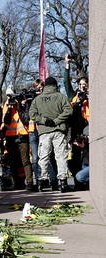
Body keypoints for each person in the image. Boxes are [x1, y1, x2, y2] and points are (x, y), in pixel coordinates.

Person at [29, 77, 73, 192]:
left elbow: (32, 114)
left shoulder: (38, 99)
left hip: (44, 132)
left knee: (43, 157)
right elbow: (69, 111)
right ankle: (63, 183)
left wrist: (44, 120)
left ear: (46, 85)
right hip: (58, 130)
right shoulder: (61, 97)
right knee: (60, 156)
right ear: (55, 85)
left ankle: (40, 182)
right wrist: (57, 120)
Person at [1, 86, 34, 191]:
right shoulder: (6, 105)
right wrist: (10, 109)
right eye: (8, 95)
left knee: (25, 160)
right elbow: (5, 121)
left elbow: (26, 121)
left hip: (22, 135)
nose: (10, 97)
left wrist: (19, 107)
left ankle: (29, 183)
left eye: (11, 95)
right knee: (13, 162)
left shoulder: (22, 103)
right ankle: (15, 183)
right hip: (10, 136)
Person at [64, 54, 89, 190]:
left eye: (84, 85)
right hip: (75, 131)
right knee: (75, 158)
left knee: (86, 157)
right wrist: (67, 65)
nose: (82, 87)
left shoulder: (90, 96)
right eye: (80, 85)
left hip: (87, 130)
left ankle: (85, 181)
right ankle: (78, 181)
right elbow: (66, 83)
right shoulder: (73, 96)